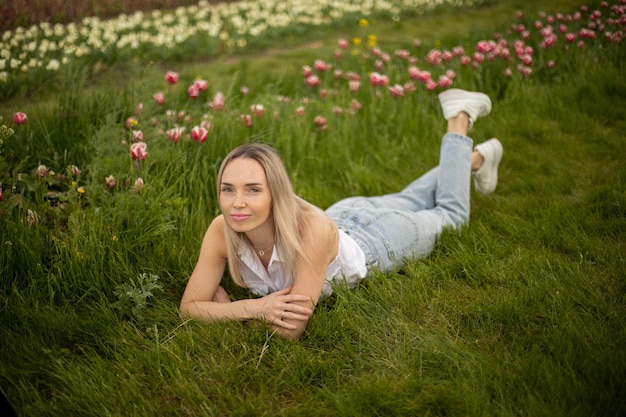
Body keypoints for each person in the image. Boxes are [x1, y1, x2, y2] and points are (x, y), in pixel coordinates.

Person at [179, 89, 504, 340]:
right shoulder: (221, 230)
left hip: (380, 238)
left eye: (253, 189)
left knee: (451, 215)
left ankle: (459, 116)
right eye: (228, 189)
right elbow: (189, 308)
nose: (237, 203)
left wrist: (226, 310)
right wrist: (255, 308)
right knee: (411, 196)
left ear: (276, 193)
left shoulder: (311, 231)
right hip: (344, 213)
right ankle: (473, 160)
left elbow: (290, 330)